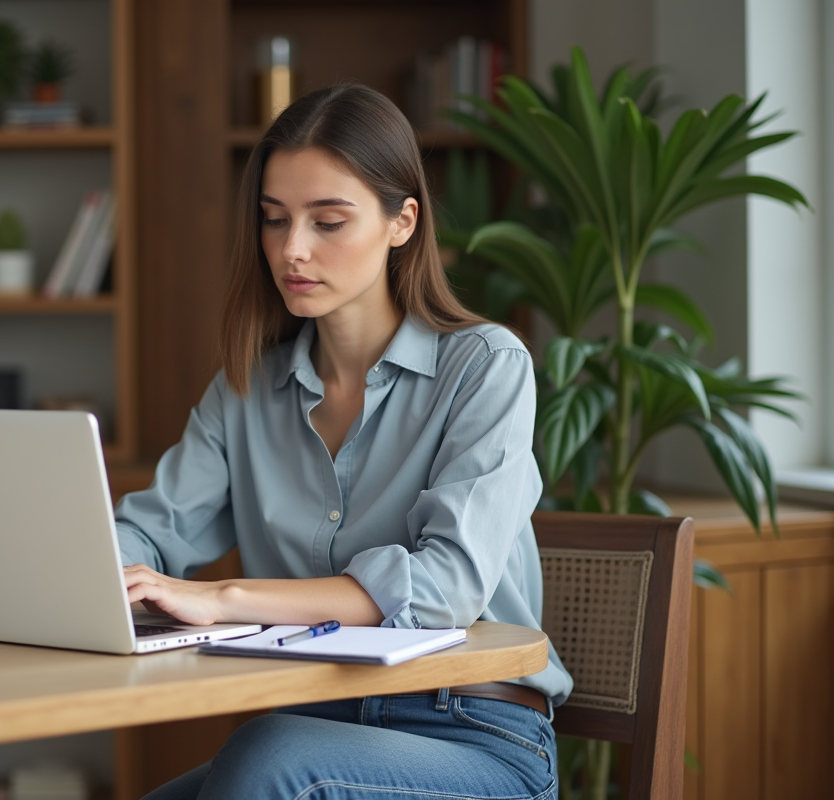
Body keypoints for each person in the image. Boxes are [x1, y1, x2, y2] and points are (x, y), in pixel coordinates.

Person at [115, 83, 572, 800]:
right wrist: (91, 572)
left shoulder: (486, 368)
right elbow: (152, 531)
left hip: (476, 734)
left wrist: (226, 597)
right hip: (315, 724)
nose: (292, 249)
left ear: (403, 222)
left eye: (328, 221)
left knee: (269, 760)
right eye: (274, 220)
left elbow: (443, 590)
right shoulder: (245, 388)